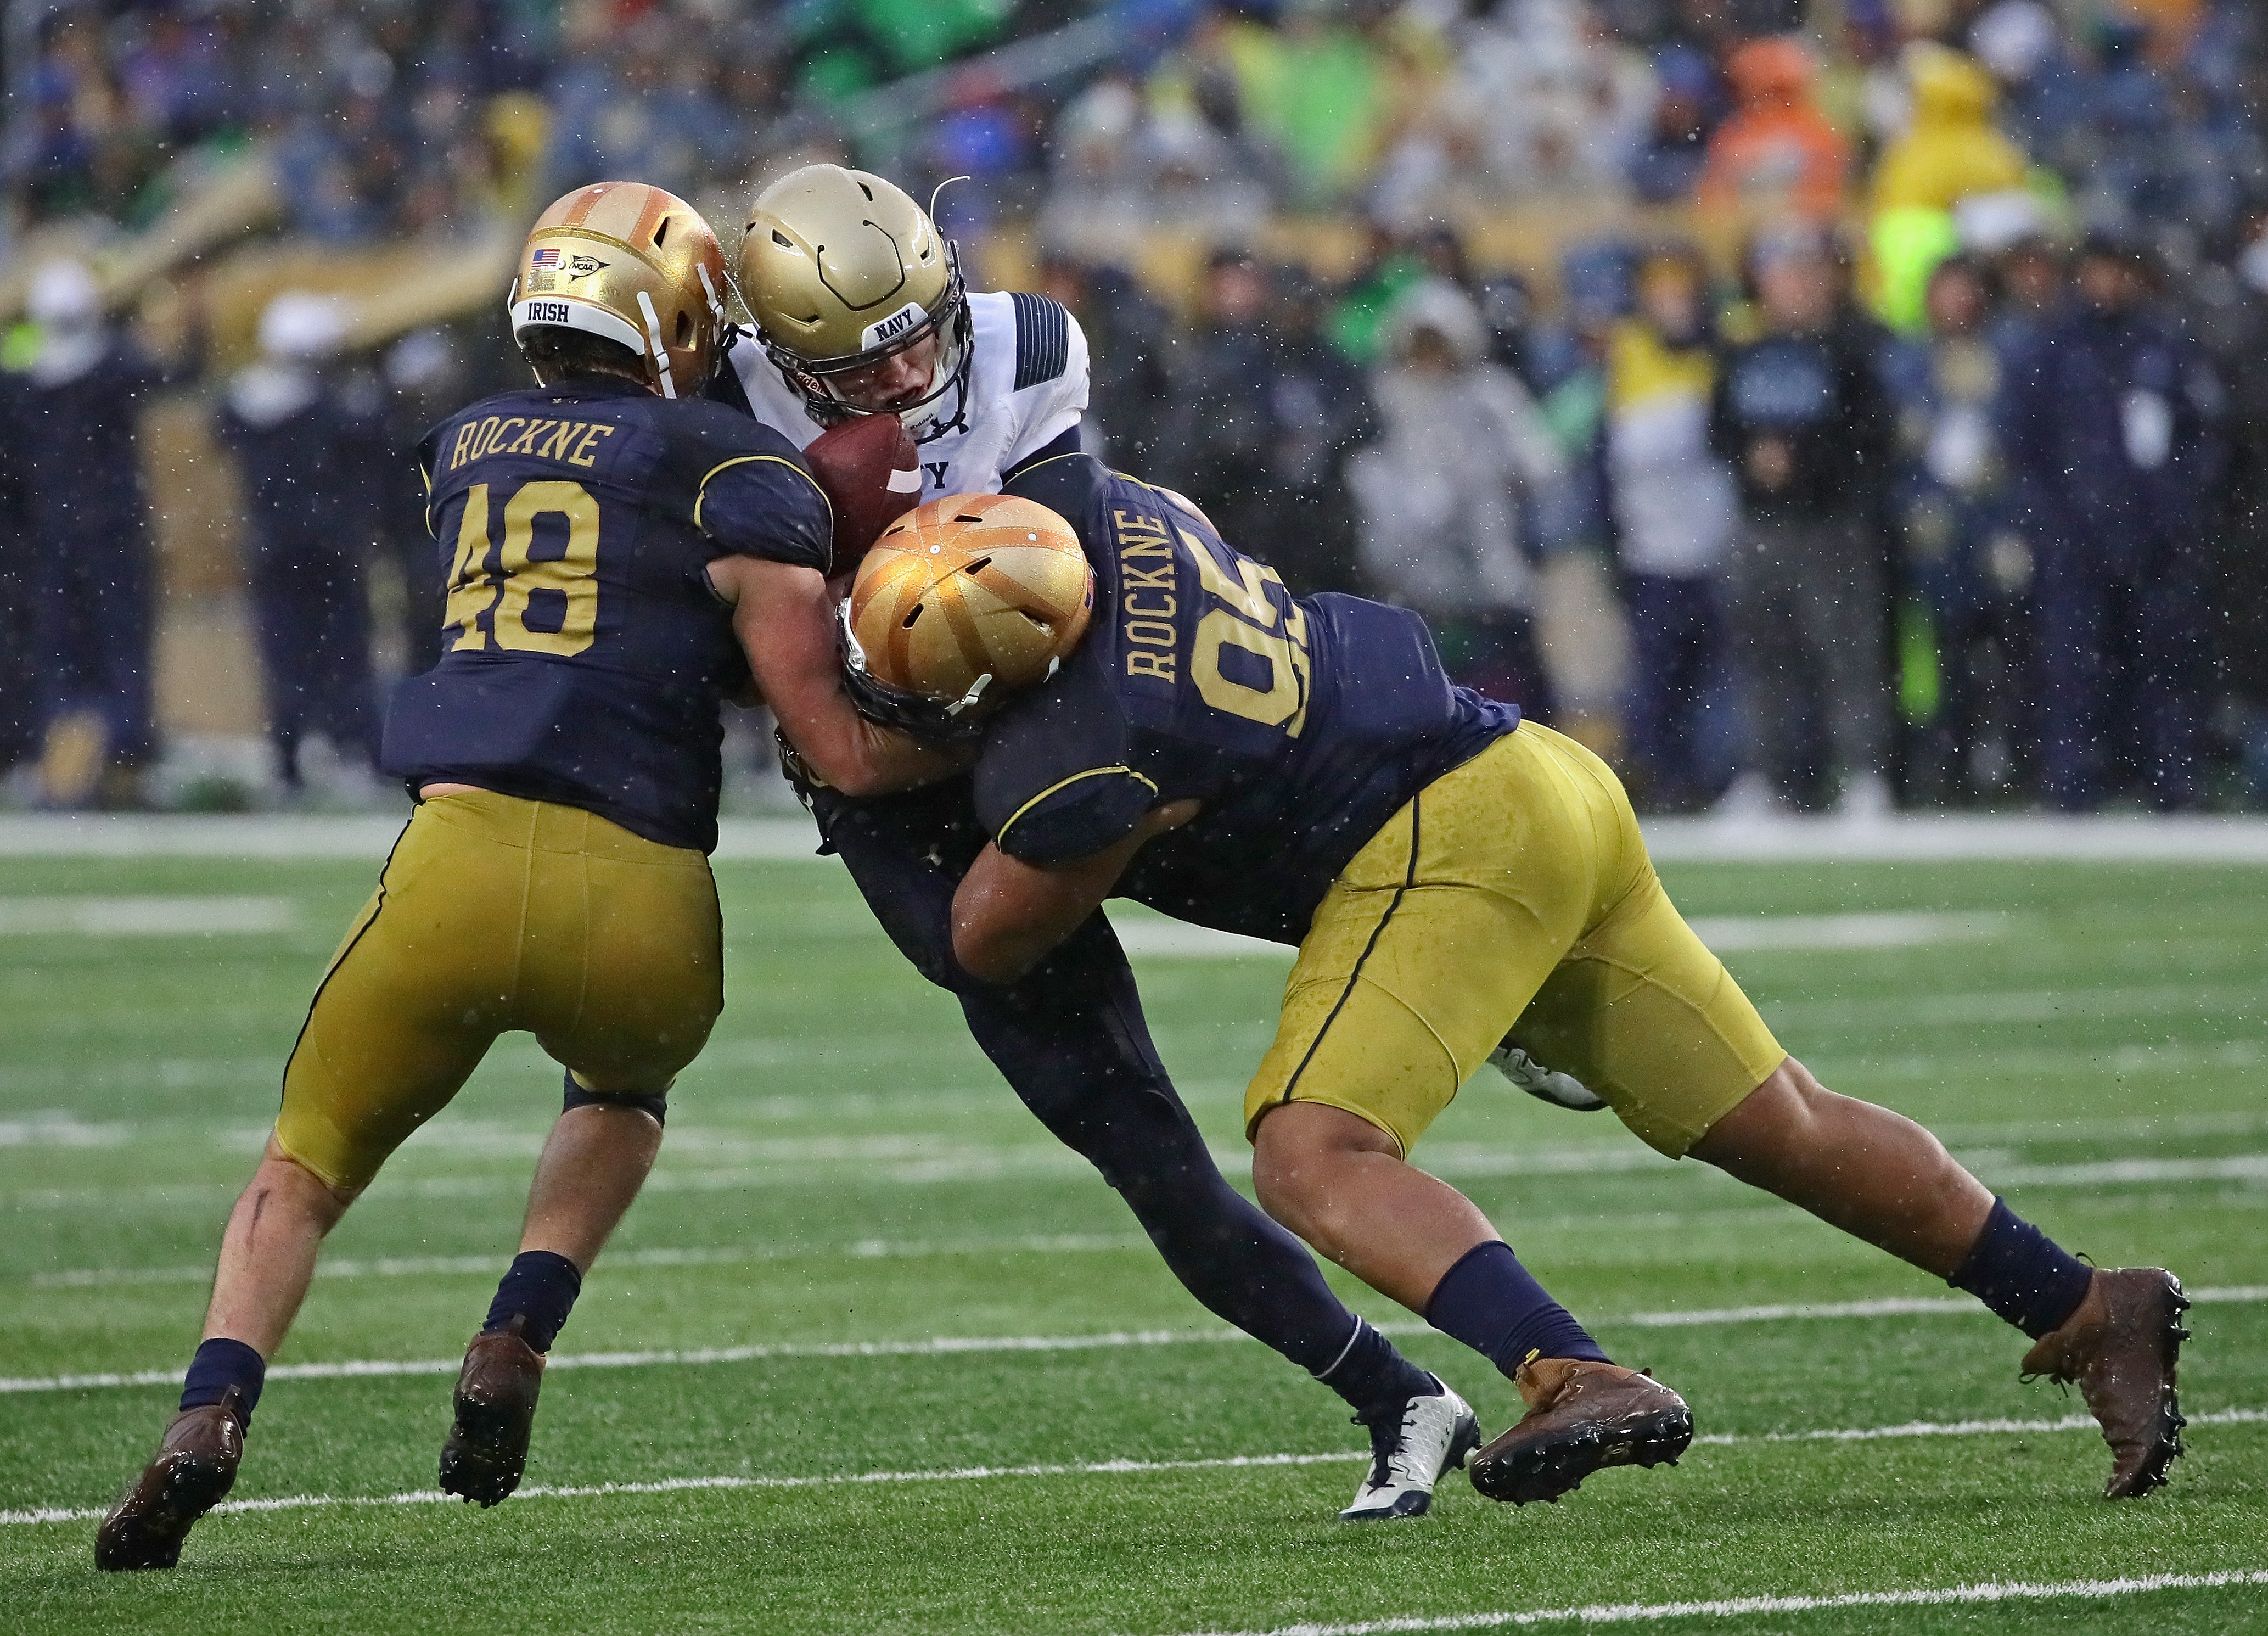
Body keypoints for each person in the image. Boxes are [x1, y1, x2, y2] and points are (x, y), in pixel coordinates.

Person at [850, 454, 2191, 1509]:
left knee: (1313, 1151)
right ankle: (2081, 1300)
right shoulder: (1101, 512)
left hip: (1443, 833)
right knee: (1777, 1113)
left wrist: (889, 771)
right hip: (1538, 776)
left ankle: (1568, 1365)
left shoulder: (1084, 751)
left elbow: (987, 938)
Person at [94, 181, 955, 1572]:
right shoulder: (738, 473)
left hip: (459, 855)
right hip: (644, 886)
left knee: (302, 1168)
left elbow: (590, 580)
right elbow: (836, 749)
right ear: (678, 314)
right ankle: (516, 1330)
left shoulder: (463, 448)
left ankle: (210, 1411)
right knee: (621, 1090)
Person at [2000, 230, 2220, 811]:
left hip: (2154, 537)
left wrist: (2173, 512)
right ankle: (2073, 785)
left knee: (2164, 666)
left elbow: (2199, 439)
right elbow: (2024, 446)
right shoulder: (2052, 348)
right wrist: (2054, 522)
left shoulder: (2161, 345)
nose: (2108, 284)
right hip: (2076, 538)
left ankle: (2172, 782)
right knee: (2074, 668)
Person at [723, 163, 1086, 503]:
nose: (900, 374)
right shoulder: (734, 399)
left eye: (912, 338)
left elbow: (1055, 545)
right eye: (863, 363)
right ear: (797, 368)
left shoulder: (1027, 350)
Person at [1711, 225, 1896, 818]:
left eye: (1807, 274)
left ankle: (1863, 773)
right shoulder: (1746, 350)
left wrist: (1804, 463)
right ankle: (1771, 776)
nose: (1796, 287)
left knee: (1845, 653)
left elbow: (1872, 438)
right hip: (1760, 522)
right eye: (1786, 275)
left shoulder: (1853, 350)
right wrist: (1753, 461)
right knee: (1765, 658)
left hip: (1829, 523)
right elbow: (1717, 429)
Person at [2, 259, 189, 808]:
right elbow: (169, 371)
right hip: (110, 533)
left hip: (51, 535)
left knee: (60, 654)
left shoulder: (21, 381)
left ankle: (57, 764)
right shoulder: (112, 370)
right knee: (121, 649)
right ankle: (124, 762)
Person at [1346, 277, 1565, 708]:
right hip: (1417, 581)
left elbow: (1541, 462)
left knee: (1511, 696)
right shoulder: (1388, 395)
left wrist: (1488, 479)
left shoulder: (1491, 393)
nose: (1430, 359)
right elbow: (1369, 470)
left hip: (1493, 576)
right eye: (1421, 346)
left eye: (1438, 345)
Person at [214, 292, 383, 800]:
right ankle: (353, 753)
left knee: (284, 656)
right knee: (345, 654)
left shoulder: (244, 402)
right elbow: (367, 429)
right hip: (330, 547)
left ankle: (289, 765)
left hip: (272, 546)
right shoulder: (340, 405)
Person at [1604, 244, 1739, 810]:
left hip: (1715, 544)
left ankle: (1719, 779)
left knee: (1719, 678)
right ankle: (1664, 781)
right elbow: (1611, 457)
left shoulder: (1724, 353)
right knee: (1659, 679)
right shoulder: (1628, 353)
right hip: (1651, 548)